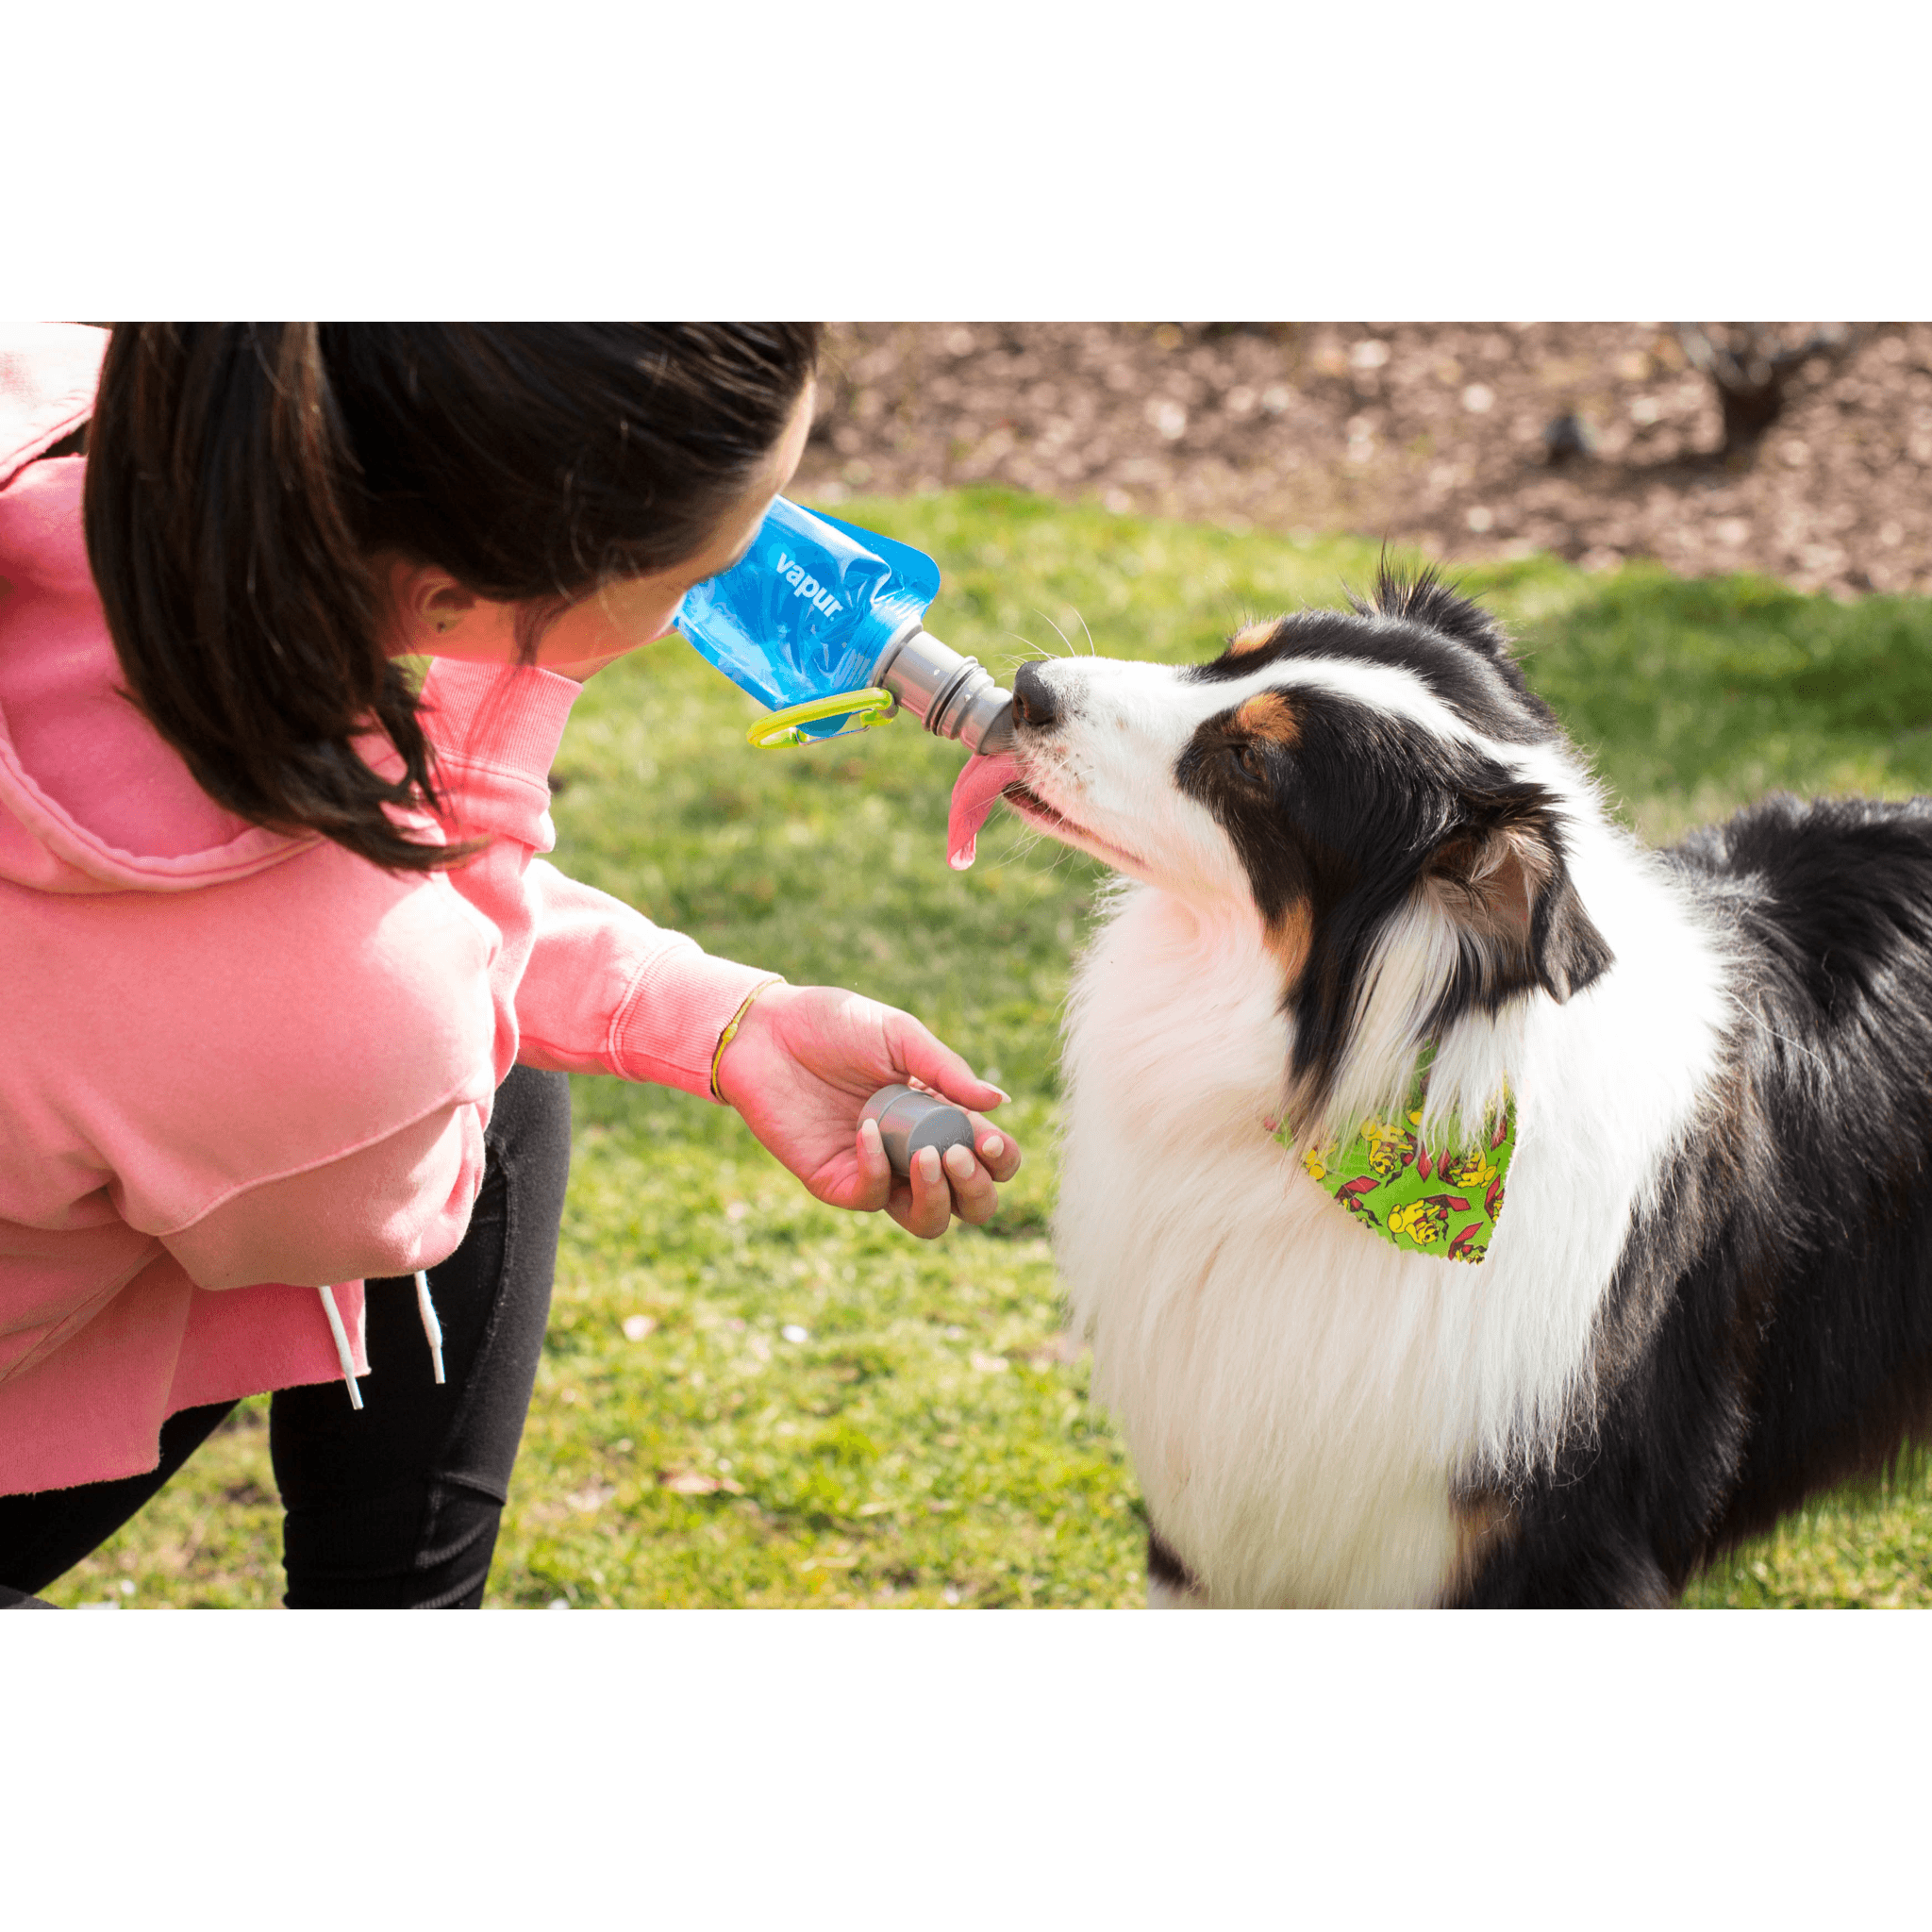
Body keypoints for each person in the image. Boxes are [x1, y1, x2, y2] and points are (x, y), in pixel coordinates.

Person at [0, 322, 1021, 1608]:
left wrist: (725, 1022)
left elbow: (350, 949)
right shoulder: (318, 1012)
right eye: (710, 552)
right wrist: (505, 712)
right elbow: (398, 1134)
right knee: (476, 1106)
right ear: (447, 601)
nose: (771, 558)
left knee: (503, 1087)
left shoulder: (109, 401)